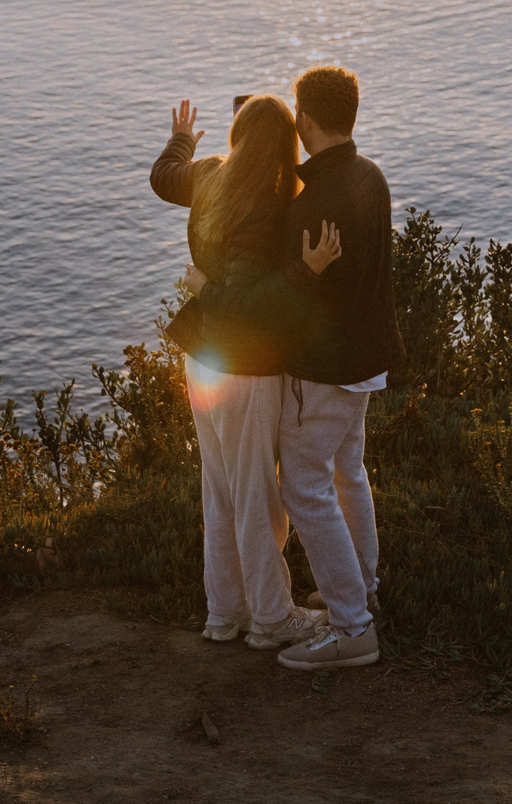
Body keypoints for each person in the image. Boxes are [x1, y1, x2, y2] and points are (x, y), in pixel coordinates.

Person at [184, 64, 404, 672]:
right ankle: (361, 588)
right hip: (366, 364)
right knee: (347, 472)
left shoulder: (311, 206)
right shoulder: (370, 177)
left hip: (325, 371)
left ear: (306, 119)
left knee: (302, 487)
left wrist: (207, 287)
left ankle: (351, 624)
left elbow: (275, 303)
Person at [150, 94, 327, 654]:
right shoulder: (268, 204)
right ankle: (272, 618)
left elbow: (163, 178)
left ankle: (225, 613)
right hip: (244, 368)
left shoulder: (209, 175)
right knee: (254, 494)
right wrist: (303, 272)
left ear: (236, 134)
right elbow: (248, 305)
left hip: (203, 361)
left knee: (221, 488)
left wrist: (182, 138)